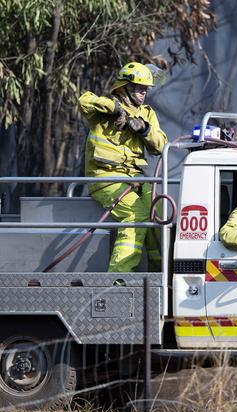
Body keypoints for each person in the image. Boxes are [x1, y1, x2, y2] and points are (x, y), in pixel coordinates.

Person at [78, 61, 168, 272]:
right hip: (105, 178)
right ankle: (119, 277)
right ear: (123, 86)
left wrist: (144, 129)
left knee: (160, 213)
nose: (143, 93)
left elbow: (162, 146)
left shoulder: (147, 113)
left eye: (145, 89)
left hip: (136, 178)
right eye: (138, 88)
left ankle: (160, 273)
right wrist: (116, 109)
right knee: (136, 214)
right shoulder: (102, 109)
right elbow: (84, 101)